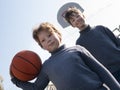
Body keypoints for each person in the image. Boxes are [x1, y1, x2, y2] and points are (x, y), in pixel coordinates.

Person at [10, 22, 120, 90]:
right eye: (43, 40)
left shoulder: (77, 49)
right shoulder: (46, 66)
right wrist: (17, 81)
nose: (48, 40)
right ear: (42, 46)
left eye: (50, 35)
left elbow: (102, 71)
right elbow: (36, 87)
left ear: (58, 34)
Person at [63, 6, 120, 83]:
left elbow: (117, 41)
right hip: (111, 74)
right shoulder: (79, 43)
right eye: (73, 20)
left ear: (83, 15)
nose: (77, 19)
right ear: (72, 25)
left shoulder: (101, 28)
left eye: (78, 16)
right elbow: (89, 64)